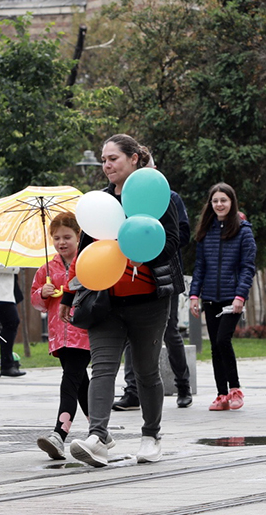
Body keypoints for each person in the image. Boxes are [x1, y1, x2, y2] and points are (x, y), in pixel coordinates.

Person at [60, 133, 181, 468]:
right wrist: (69, 295)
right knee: (102, 369)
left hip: (149, 301)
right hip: (105, 302)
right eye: (103, 159)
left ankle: (151, 435)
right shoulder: (99, 203)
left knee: (145, 371)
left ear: (134, 159)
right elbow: (84, 253)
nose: (106, 165)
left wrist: (137, 246)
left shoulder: (159, 197)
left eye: (113, 158)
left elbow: (172, 243)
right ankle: (97, 437)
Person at [113, 184, 193, 411]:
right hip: (129, 275)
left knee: (170, 331)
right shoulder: (121, 197)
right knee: (131, 332)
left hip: (163, 276)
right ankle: (132, 391)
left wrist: (150, 243)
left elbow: (182, 235)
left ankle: (183, 385)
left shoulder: (169, 197)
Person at [189, 183, 256, 411]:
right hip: (209, 296)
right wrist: (194, 295)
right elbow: (200, 267)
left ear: (232, 202)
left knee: (222, 340)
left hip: (231, 297)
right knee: (215, 348)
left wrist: (240, 296)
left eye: (224, 200)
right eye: (215, 201)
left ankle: (235, 389)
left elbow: (248, 267)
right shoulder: (205, 231)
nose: (219, 204)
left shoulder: (243, 231)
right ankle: (221, 395)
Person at [31, 212, 90, 460]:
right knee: (81, 385)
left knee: (70, 380)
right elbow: (37, 301)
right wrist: (42, 293)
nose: (61, 242)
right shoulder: (47, 267)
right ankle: (101, 431)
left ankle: (59, 434)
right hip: (59, 335)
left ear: (79, 236)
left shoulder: (87, 261)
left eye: (67, 237)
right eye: (56, 238)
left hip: (82, 332)